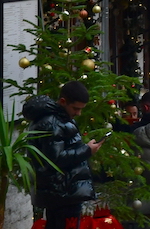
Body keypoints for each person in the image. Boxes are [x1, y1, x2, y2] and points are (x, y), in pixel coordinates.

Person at [23, 81, 102, 229]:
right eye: (75, 108)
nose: (78, 113)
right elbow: (55, 159)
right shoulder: (53, 123)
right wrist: (86, 151)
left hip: (61, 191)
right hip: (62, 193)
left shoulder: (57, 119)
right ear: (63, 101)